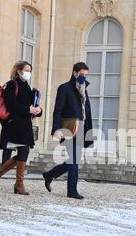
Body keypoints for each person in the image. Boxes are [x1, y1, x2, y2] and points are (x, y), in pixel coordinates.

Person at [42, 62, 94, 200]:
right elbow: (58, 110)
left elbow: (86, 111)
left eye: (86, 75)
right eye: (81, 74)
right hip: (69, 127)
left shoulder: (84, 89)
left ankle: (49, 175)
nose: (84, 77)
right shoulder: (64, 88)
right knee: (75, 160)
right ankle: (72, 190)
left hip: (82, 127)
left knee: (73, 160)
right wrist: (56, 129)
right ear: (74, 73)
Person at [0, 61, 42, 195]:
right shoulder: (12, 84)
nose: (28, 73)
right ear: (19, 71)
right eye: (26, 70)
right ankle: (19, 184)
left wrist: (38, 110)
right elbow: (11, 105)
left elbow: (32, 105)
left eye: (30, 70)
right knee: (24, 151)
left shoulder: (27, 86)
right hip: (15, 124)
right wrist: (28, 109)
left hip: (25, 124)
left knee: (22, 153)